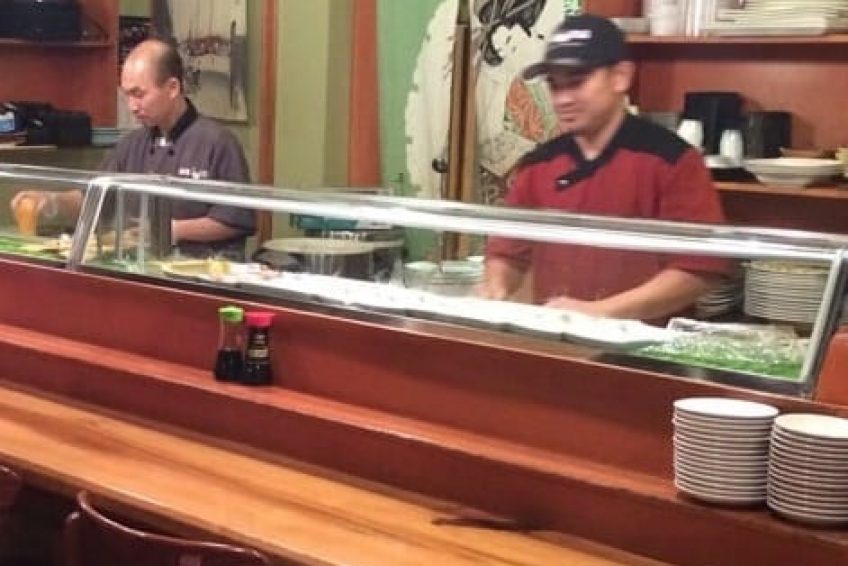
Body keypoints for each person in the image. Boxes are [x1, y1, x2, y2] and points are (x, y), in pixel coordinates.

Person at [479, 14, 728, 321]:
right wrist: (496, 287)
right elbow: (507, 252)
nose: (563, 99)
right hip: (556, 338)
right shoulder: (537, 165)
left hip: (648, 345)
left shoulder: (672, 160)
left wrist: (599, 313)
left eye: (577, 82)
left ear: (620, 76)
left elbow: (698, 270)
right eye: (555, 86)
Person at [10, 38, 255, 260]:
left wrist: (170, 230)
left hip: (201, 270)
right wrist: (52, 201)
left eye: (139, 94)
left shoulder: (218, 142)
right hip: (139, 265)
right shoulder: (132, 144)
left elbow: (236, 219)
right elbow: (95, 197)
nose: (132, 106)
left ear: (172, 88)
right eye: (127, 95)